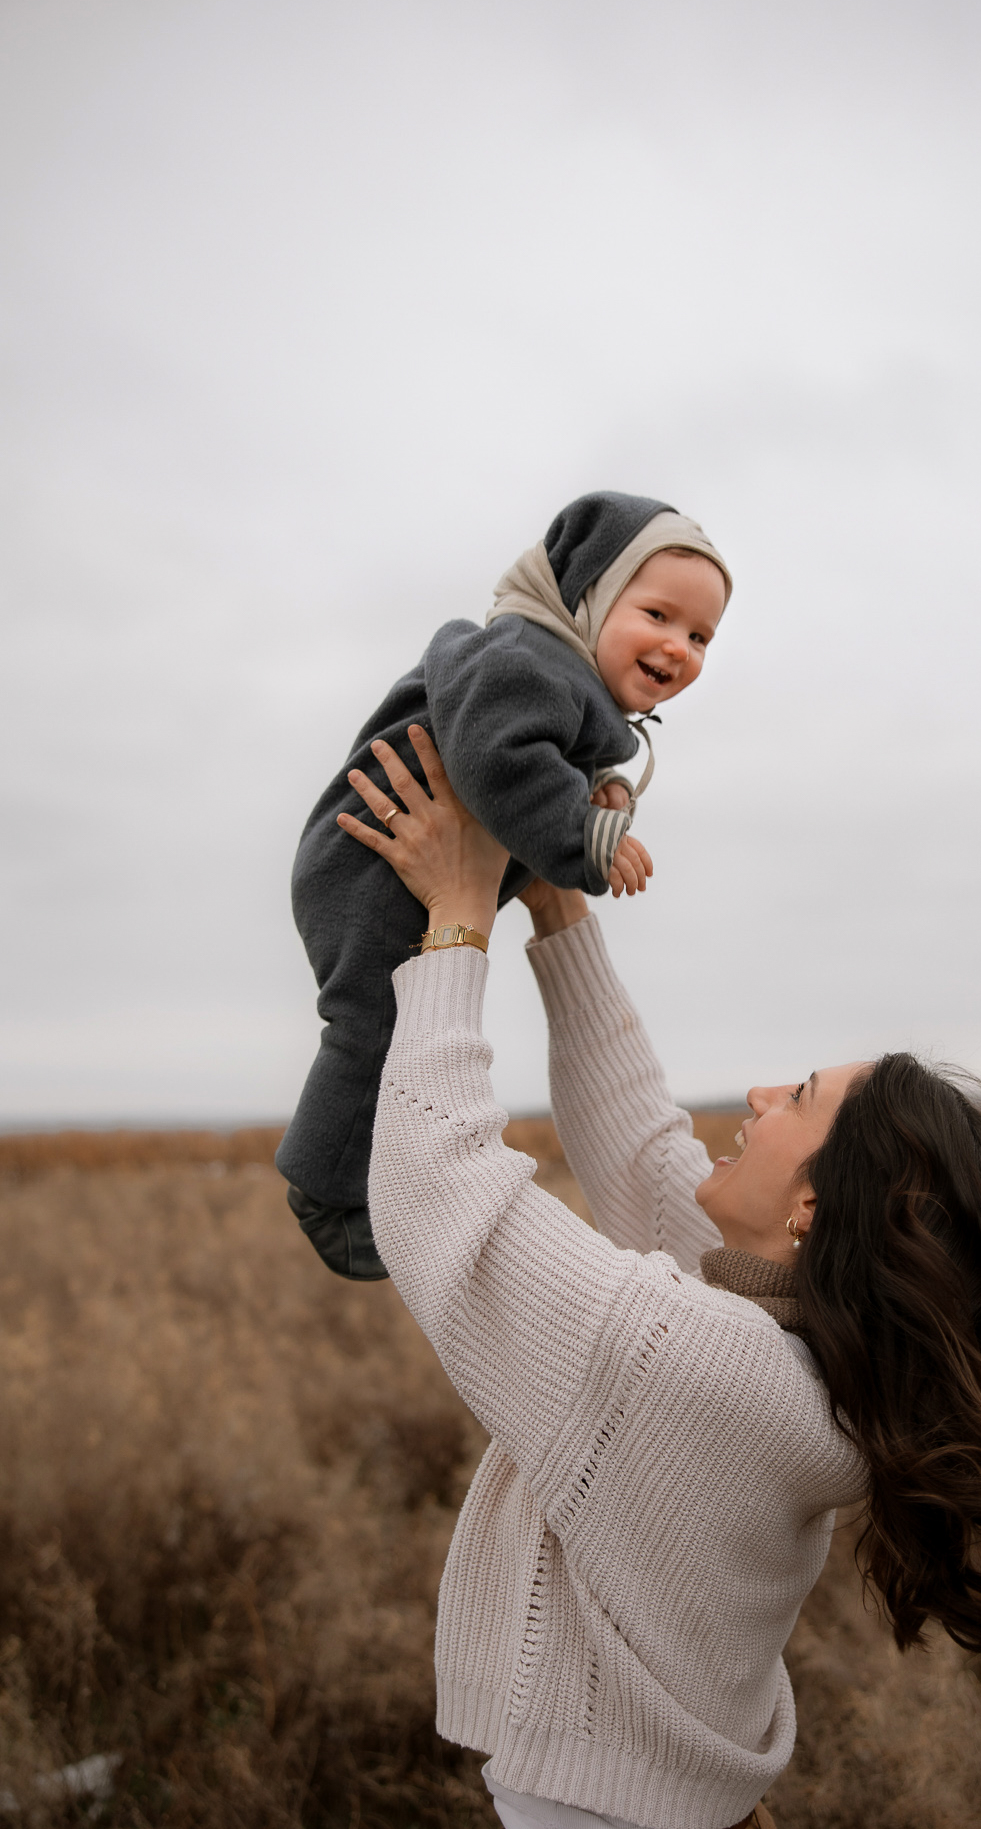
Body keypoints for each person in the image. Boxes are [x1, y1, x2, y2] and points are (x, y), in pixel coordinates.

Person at [340, 727, 981, 1829]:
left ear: (813, 1207)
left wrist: (454, 918)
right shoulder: (782, 1345)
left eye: (794, 1097)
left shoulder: (703, 1367)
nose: (752, 1095)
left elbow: (438, 1187)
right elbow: (642, 1142)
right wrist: (552, 897)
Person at [276, 491, 731, 1281]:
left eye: (699, 635)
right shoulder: (524, 659)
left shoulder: (563, 682)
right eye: (657, 615)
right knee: (370, 1022)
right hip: (369, 865)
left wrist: (603, 791)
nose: (679, 647)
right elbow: (498, 758)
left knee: (407, 1034)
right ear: (585, 598)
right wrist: (581, 838)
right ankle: (325, 1192)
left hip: (408, 869)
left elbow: (546, 758)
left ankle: (381, 1184)